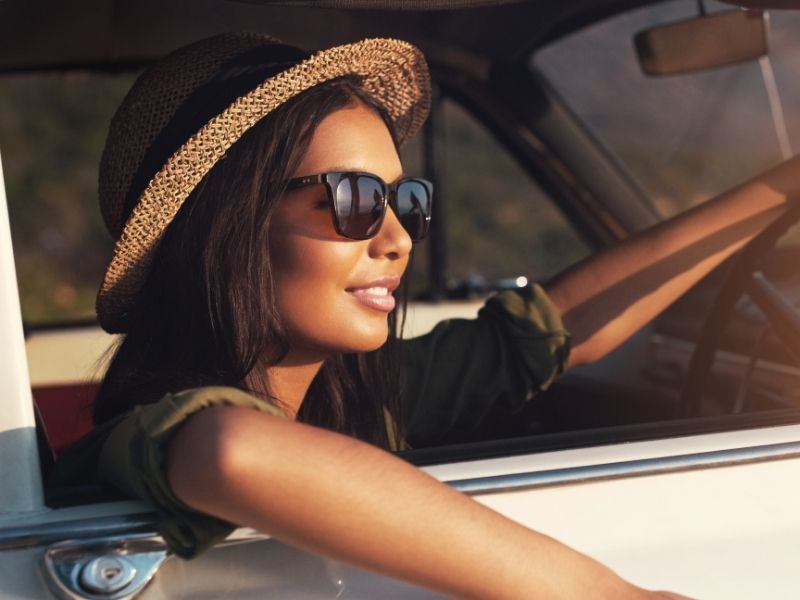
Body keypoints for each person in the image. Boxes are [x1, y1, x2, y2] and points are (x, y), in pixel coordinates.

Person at [56, 30, 800, 598]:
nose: (398, 238)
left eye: (406, 201)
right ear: (227, 226)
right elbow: (232, 453)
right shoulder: (147, 434)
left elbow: (542, 333)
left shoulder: (353, 390)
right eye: (353, 201)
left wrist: (779, 191)